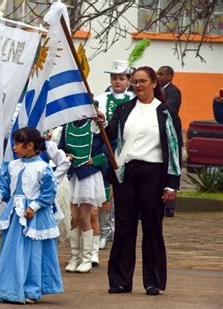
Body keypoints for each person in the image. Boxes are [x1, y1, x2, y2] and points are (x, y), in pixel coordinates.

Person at [106, 66, 182, 296]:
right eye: (135, 82)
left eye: (143, 81)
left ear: (153, 83)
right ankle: (120, 281)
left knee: (152, 227)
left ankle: (153, 281)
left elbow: (175, 148)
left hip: (154, 174)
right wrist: (99, 120)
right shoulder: (124, 108)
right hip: (127, 175)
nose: (138, 85)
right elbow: (109, 134)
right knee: (124, 227)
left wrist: (172, 183)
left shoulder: (165, 112)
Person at [0, 127, 63, 304]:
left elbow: (49, 192)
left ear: (30, 146)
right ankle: (9, 289)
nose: (14, 147)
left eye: (17, 144)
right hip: (15, 216)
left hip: (34, 217)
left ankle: (31, 290)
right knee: (11, 250)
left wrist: (35, 206)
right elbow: (4, 186)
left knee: (34, 253)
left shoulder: (43, 168)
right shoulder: (12, 166)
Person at [95, 60, 135, 251]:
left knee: (125, 191)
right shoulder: (101, 98)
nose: (117, 81)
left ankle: (121, 230)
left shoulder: (135, 100)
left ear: (129, 80)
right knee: (104, 190)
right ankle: (104, 231)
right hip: (106, 147)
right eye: (113, 78)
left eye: (121, 78)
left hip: (129, 149)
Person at [58, 117, 107, 273]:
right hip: (73, 175)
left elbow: (109, 144)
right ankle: (74, 257)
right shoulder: (68, 124)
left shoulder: (95, 123)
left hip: (89, 175)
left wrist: (97, 160)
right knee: (73, 217)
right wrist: (66, 156)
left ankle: (87, 258)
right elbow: (61, 147)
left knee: (85, 217)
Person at [157, 65, 182, 217]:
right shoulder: (157, 90)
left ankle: (170, 207)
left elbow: (170, 108)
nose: (158, 76)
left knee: (172, 168)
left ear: (170, 77)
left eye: (161, 74)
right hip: (160, 135)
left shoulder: (173, 91)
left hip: (170, 134)